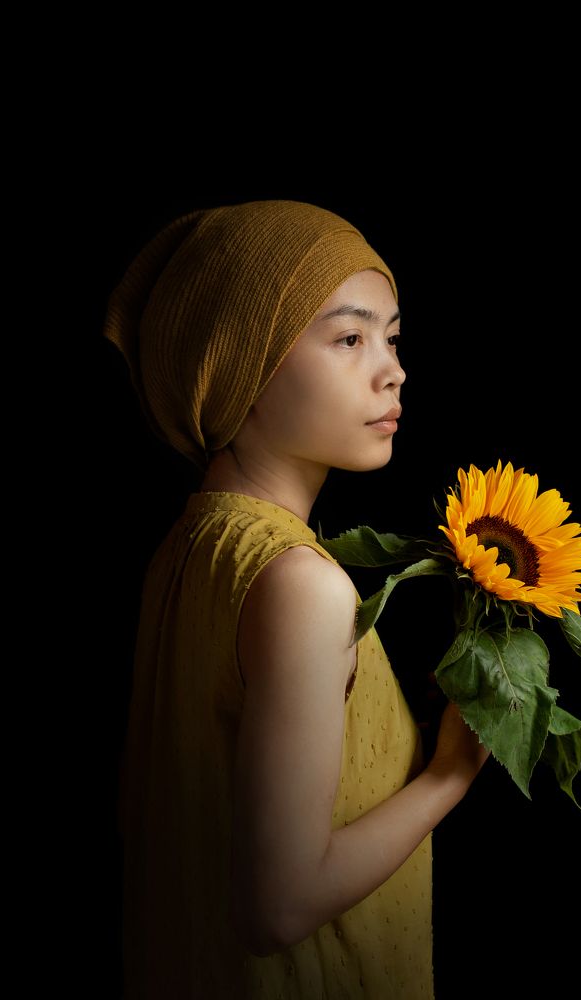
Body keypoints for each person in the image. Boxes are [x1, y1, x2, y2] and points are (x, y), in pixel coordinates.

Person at [104, 199, 489, 999]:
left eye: (392, 338)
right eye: (349, 339)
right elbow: (275, 910)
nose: (392, 370)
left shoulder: (190, 547)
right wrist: (449, 774)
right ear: (237, 364)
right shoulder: (302, 583)